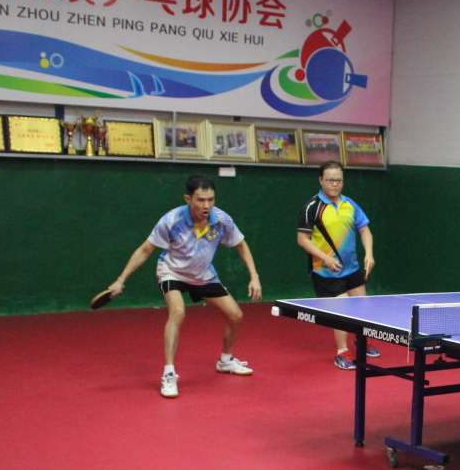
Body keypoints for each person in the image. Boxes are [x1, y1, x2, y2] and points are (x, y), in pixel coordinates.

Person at [106, 174, 262, 398]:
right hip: (172, 271)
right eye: (201, 200)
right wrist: (121, 279)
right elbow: (145, 250)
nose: (206, 205)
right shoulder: (172, 220)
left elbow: (241, 245)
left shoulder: (221, 219)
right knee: (178, 311)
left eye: (211, 199)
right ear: (188, 199)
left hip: (203, 274)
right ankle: (169, 373)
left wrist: (254, 276)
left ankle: (226, 360)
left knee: (236, 315)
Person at [297, 161, 378, 369]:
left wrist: (369, 253)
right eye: (330, 180)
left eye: (338, 180)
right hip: (326, 271)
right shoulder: (312, 207)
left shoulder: (350, 204)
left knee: (363, 307)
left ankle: (361, 342)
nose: (335, 184)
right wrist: (325, 258)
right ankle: (342, 352)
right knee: (342, 311)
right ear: (321, 180)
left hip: (352, 268)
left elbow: (365, 230)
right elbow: (302, 240)